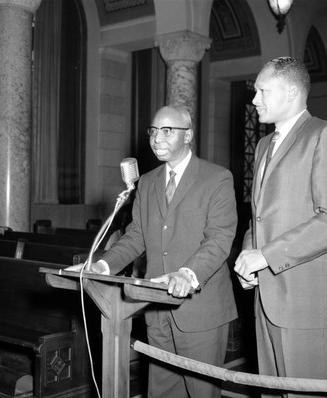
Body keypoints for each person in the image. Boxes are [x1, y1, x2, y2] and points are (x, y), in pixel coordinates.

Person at [78, 105, 238, 398]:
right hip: (156, 305)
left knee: (201, 393)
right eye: (153, 130)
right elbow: (135, 236)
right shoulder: (147, 182)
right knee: (162, 391)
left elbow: (219, 238)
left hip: (199, 309)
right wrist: (102, 266)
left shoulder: (217, 178)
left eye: (168, 130)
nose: (157, 138)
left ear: (187, 135)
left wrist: (187, 274)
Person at [233, 57, 327, 398]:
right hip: (267, 295)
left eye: (262, 90)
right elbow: (258, 217)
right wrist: (248, 253)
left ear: (290, 92)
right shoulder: (263, 146)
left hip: (307, 300)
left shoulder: (326, 135)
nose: (255, 99)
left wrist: (267, 256)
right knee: (273, 392)